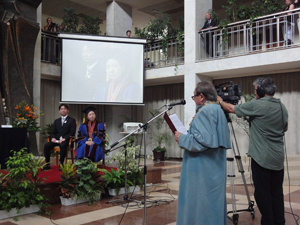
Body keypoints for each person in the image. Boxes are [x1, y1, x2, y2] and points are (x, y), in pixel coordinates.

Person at [217, 77, 288, 225]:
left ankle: (268, 222)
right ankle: (279, 222)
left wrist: (219, 100)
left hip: (262, 159)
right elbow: (284, 128)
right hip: (278, 160)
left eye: (256, 90)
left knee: (262, 194)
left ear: (262, 91)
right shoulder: (282, 107)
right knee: (276, 193)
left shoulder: (257, 104)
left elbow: (231, 109)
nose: (255, 93)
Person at [174, 81, 231, 225]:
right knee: (212, 203)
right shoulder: (217, 108)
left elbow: (202, 141)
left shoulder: (205, 110)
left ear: (202, 96)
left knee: (202, 205)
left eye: (194, 97)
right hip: (214, 167)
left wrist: (182, 138)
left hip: (203, 169)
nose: (194, 100)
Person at [43, 104, 76, 171]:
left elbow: (72, 133)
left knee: (63, 144)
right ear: (59, 111)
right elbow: (53, 132)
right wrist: (53, 138)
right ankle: (47, 164)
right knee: (47, 145)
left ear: (68, 110)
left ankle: (61, 163)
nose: (63, 110)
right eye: (61, 109)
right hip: (57, 140)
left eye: (64, 109)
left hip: (66, 140)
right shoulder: (56, 121)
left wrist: (64, 139)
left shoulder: (72, 120)